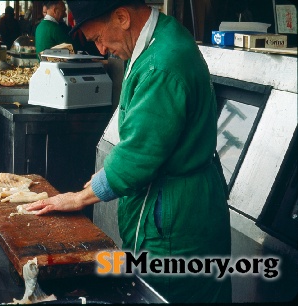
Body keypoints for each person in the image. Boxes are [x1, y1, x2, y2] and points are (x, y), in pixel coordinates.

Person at [25, 0, 232, 303]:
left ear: (122, 17)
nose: (101, 50)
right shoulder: (161, 37)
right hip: (181, 204)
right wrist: (107, 174)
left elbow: (138, 156)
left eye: (98, 38)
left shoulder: (162, 64)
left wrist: (78, 198)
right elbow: (150, 136)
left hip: (176, 224)